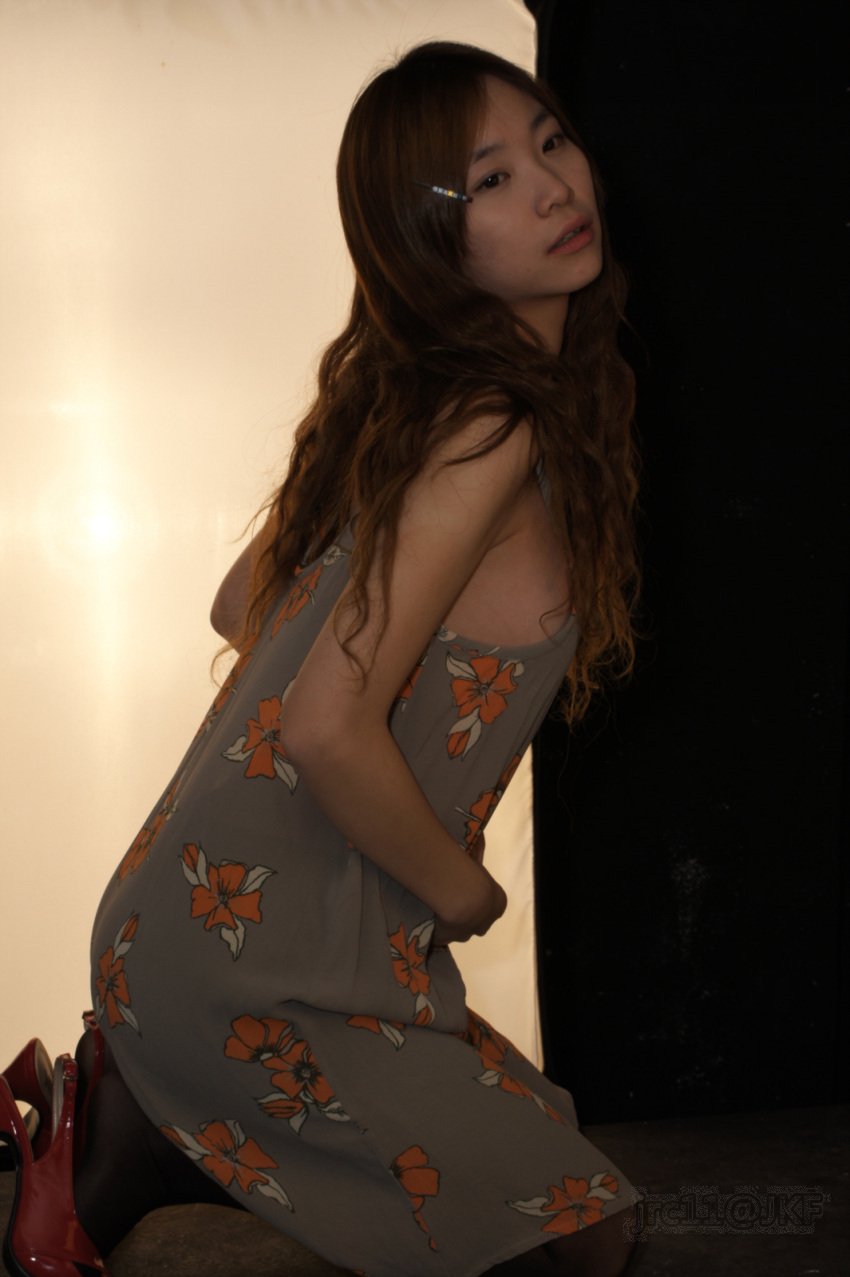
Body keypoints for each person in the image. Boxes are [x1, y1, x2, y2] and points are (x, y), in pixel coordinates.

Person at [0, 41, 641, 1277]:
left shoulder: (426, 412)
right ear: (426, 241)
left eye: (549, 141)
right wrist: (462, 892)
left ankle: (140, 1129)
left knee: (558, 1172)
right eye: (490, 180)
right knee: (578, 1236)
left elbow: (241, 604)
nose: (554, 187)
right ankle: (151, 1131)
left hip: (217, 933)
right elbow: (321, 723)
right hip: (260, 965)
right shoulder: (491, 423)